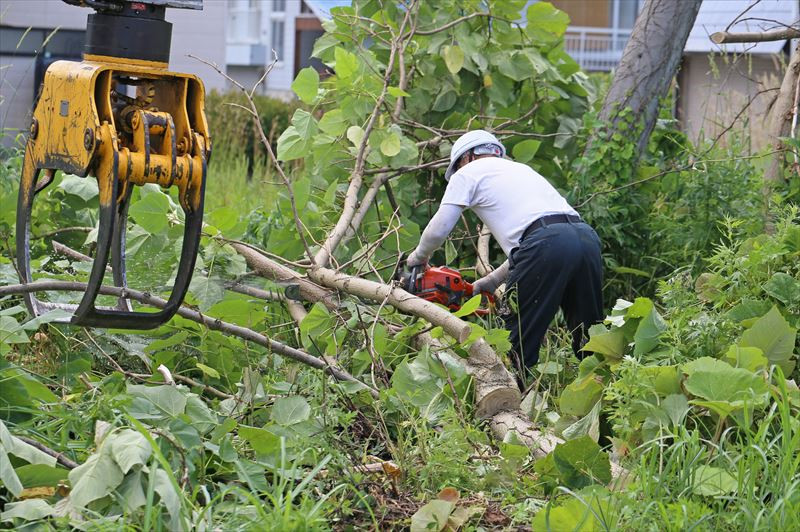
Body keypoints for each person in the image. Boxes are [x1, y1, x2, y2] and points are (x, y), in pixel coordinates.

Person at [406, 130, 604, 378]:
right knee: (591, 336)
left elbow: (440, 229)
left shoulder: (467, 173)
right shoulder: (522, 171)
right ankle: (607, 396)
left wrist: (419, 257)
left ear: (465, 158)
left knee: (515, 338)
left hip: (546, 244)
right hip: (585, 238)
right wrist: (489, 282)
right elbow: (540, 236)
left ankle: (509, 405)